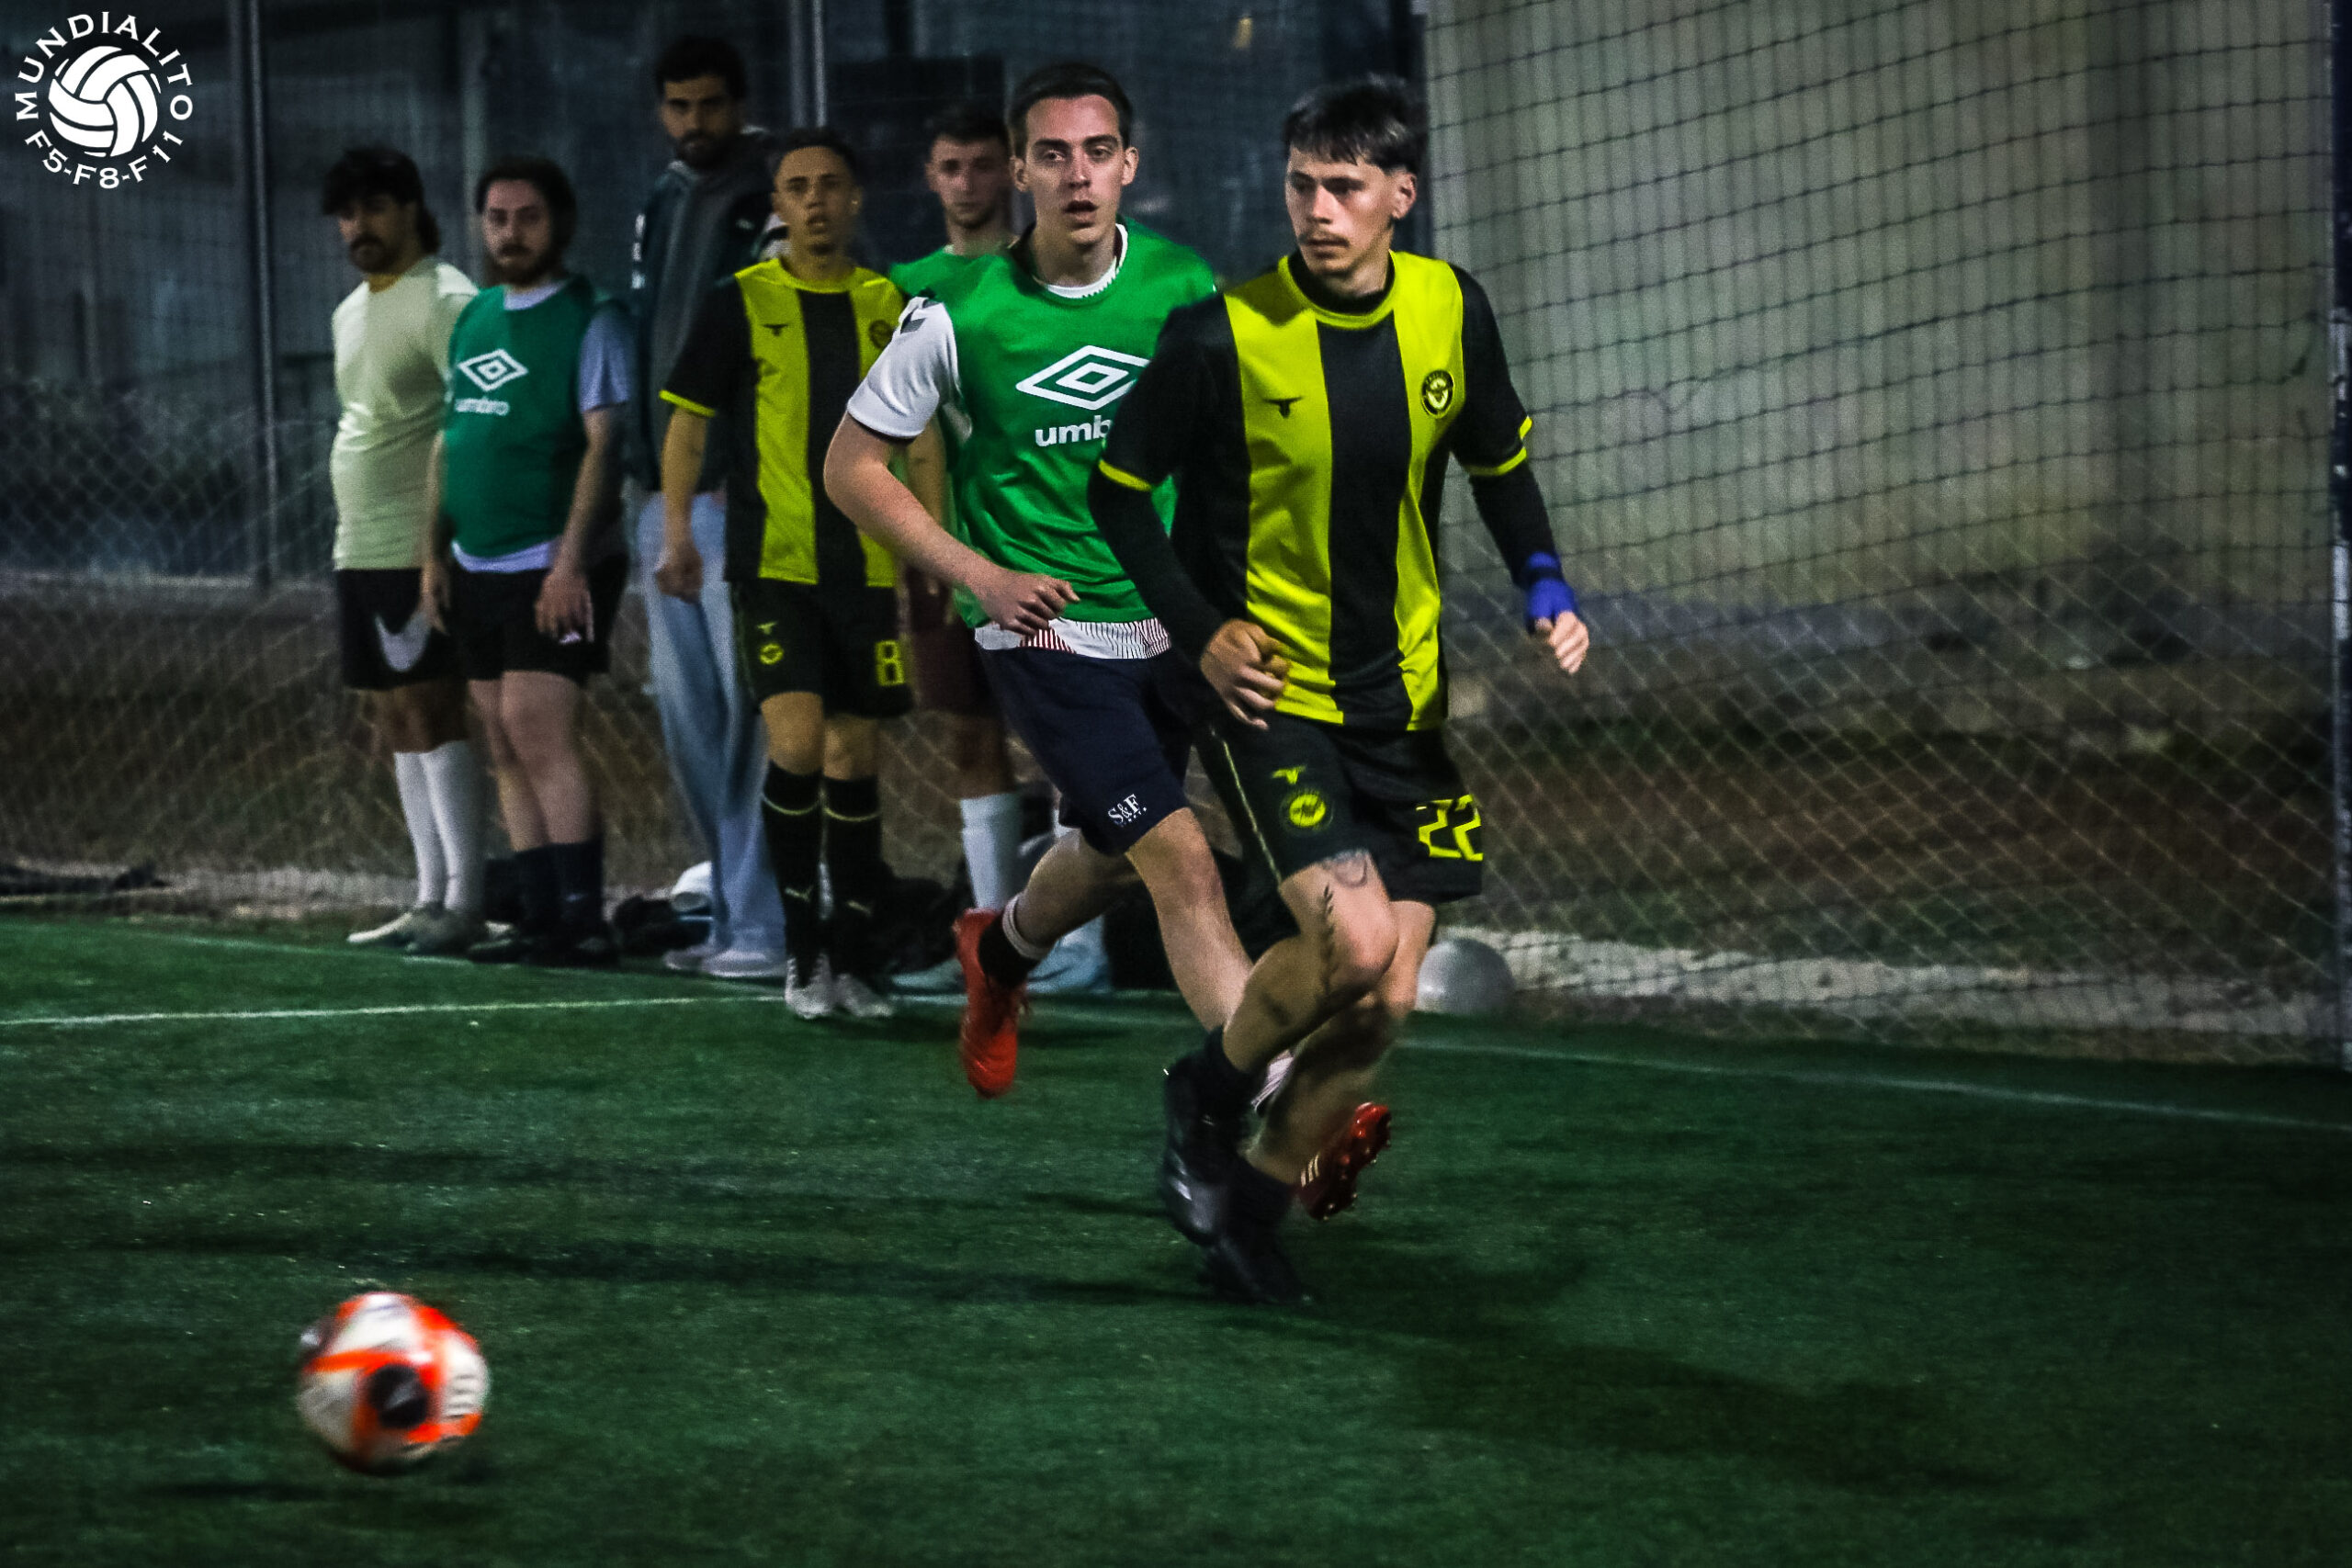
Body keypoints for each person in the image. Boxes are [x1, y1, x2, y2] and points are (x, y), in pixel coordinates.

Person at [1089, 77, 1592, 1304]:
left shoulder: (1451, 308)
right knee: (1355, 943)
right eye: (1302, 184)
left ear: (1400, 196)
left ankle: (1251, 1213)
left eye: (1346, 187)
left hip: (1402, 705)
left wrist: (1544, 583)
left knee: (1383, 1004)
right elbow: (1118, 492)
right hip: (1273, 699)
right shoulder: (1220, 336)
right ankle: (1206, 1089)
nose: (1318, 209)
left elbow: (1499, 464)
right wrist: (1202, 633)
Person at [826, 62, 1251, 1095]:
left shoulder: (1182, 286)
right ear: (1020, 171)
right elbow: (850, 468)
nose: (1077, 175)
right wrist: (982, 574)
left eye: (1097, 152)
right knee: (1181, 858)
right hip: (1043, 628)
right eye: (1053, 155)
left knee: (1107, 853)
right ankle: (1282, 1095)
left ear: (1129, 165)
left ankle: (1002, 946)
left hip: (1164, 618)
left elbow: (1227, 451)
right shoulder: (957, 312)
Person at [658, 128, 911, 1021]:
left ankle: (858, 962)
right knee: (797, 745)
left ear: (855, 199)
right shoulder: (739, 301)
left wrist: (933, 551)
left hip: (865, 569)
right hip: (773, 567)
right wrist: (677, 532)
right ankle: (803, 958)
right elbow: (688, 422)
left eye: (829, 185)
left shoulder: (891, 306)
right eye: (796, 187)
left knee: (855, 756)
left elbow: (922, 440)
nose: (814, 201)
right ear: (777, 206)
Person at [888, 99, 1110, 999]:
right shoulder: (904, 286)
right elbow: (893, 427)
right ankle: (989, 946)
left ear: (1014, 173)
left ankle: (1081, 947)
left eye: (984, 165)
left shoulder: (1052, 272)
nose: (967, 182)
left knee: (1072, 748)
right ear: (930, 177)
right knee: (969, 736)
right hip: (947, 553)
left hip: (1049, 551)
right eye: (951, 166)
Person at [420, 155, 631, 967]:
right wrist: (432, 553)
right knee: (501, 738)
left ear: (561, 224)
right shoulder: (475, 317)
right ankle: (540, 916)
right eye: (497, 218)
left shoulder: (590, 317)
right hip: (475, 561)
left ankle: (584, 918)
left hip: (551, 561)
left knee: (538, 728)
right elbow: (451, 442)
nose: (510, 233)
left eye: (528, 217)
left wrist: (570, 564)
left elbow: (604, 445)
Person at [627, 37, 790, 982]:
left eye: (711, 105)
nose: (696, 123)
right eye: (679, 106)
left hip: (739, 499)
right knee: (691, 725)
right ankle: (731, 914)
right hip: (666, 498)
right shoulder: (663, 199)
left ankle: (767, 925)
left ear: (740, 102)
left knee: (754, 717)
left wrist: (745, 467)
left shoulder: (773, 193)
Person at [321, 147, 486, 958]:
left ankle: (466, 899)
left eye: (375, 208)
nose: (359, 226)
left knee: (432, 706)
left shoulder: (448, 299)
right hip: (357, 547)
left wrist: (438, 546)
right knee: (392, 715)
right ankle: (427, 896)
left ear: (413, 209)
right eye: (347, 214)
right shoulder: (348, 311)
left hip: (413, 548)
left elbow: (469, 421)